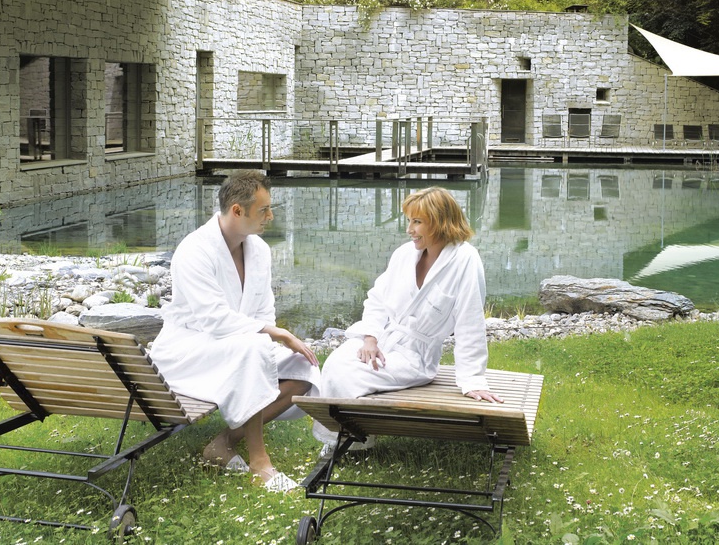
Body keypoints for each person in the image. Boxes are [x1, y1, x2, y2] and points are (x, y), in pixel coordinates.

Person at [150, 170, 320, 492]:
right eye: (264, 210)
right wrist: (276, 334)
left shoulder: (260, 251)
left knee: (303, 367)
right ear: (237, 211)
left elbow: (264, 310)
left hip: (238, 348)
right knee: (252, 348)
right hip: (188, 351)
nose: (271, 216)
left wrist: (272, 343)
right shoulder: (194, 250)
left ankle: (224, 442)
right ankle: (260, 464)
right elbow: (213, 319)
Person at [313, 186, 502, 449]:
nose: (409, 229)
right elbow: (377, 299)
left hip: (415, 357)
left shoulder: (465, 260)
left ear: (439, 222)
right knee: (335, 363)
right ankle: (343, 437)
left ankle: (352, 441)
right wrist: (370, 338)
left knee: (348, 373)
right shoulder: (404, 254)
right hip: (383, 340)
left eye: (417, 222)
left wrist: (472, 380)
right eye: (409, 221)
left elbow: (470, 323)